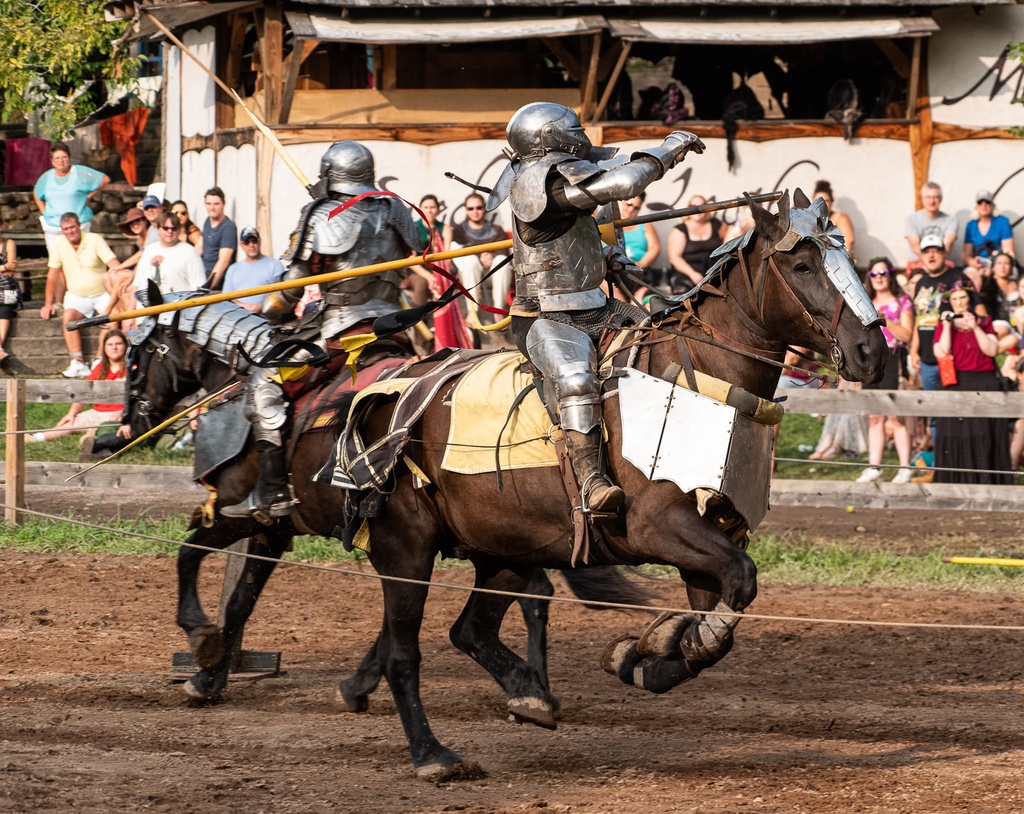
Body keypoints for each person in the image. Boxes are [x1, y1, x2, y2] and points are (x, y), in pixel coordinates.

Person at [487, 100, 704, 512]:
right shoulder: (539, 187)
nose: (582, 136)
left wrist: (607, 256)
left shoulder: (561, 189)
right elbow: (624, 185)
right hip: (547, 316)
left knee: (672, 345)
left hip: (597, 305)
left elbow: (567, 241)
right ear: (554, 138)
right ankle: (591, 483)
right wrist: (671, 146)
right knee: (574, 381)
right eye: (574, 129)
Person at [220, 140, 423, 519]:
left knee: (265, 381)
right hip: (392, 328)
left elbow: (284, 297)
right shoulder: (395, 209)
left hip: (342, 331)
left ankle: (272, 492)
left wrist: (273, 309)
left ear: (329, 174)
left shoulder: (320, 214)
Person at [933, 287, 1013, 484]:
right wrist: (946, 325)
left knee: (984, 432)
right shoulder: (944, 324)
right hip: (956, 382)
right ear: (950, 302)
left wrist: (975, 326)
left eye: (963, 298)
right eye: (956, 299)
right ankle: (957, 481)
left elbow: (992, 350)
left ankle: (987, 481)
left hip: (984, 382)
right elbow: (942, 351)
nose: (960, 302)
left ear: (970, 300)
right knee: (955, 435)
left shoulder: (984, 322)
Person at [855, 258, 914, 484]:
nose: (879, 277)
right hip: (870, 359)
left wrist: (886, 319)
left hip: (893, 357)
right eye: (874, 274)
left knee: (896, 416)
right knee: (874, 417)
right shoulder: (864, 302)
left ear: (890, 275)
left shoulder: (902, 301)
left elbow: (907, 335)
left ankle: (905, 467)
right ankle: (874, 467)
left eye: (883, 273)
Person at [42, 213, 122, 378]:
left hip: (102, 293)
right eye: (66, 229)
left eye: (72, 227)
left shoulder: (95, 239)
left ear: (79, 226)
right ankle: (78, 361)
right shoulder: (59, 244)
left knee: (113, 317)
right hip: (76, 295)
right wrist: (48, 303)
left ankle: (100, 359)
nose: (70, 231)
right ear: (62, 231)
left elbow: (114, 265)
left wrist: (120, 292)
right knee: (68, 316)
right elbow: (52, 275)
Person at [24, 330, 128, 443]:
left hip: (119, 413)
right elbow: (84, 392)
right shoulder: (100, 368)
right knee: (71, 424)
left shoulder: (132, 369)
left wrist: (124, 413)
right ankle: (37, 437)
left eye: (118, 344)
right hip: (97, 411)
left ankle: (92, 438)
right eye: (110, 344)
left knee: (108, 427)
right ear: (104, 348)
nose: (114, 348)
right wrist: (71, 414)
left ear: (125, 346)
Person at [908, 234, 977, 396]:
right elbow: (920, 318)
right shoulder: (921, 283)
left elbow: (978, 312)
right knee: (932, 409)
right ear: (921, 256)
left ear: (945, 253)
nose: (931, 255)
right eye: (926, 251)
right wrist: (914, 350)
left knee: (955, 408)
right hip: (926, 360)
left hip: (954, 357)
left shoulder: (959, 278)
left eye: (936, 251)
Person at [415, 194, 473, 351]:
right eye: (426, 207)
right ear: (420, 209)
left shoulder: (445, 229)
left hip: (440, 268)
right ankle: (422, 336)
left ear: (438, 209)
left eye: (432, 207)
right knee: (420, 286)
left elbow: (446, 257)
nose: (429, 211)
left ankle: (450, 330)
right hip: (419, 270)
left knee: (448, 283)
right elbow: (410, 259)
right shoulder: (413, 228)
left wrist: (433, 230)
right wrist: (428, 276)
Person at [32, 142, 110, 257]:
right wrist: (43, 210)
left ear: (69, 158)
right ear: (52, 161)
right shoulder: (46, 177)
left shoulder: (79, 171)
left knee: (83, 259)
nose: (61, 160)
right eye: (57, 158)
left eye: (64, 157)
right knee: (57, 263)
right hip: (54, 227)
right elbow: (36, 192)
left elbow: (105, 179)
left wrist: (89, 195)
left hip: (79, 225)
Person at [447, 193, 510, 325]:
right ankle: (472, 311)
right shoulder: (459, 232)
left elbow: (504, 253)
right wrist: (479, 255)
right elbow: (457, 255)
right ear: (466, 210)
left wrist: (491, 256)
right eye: (471, 208)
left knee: (501, 262)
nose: (475, 212)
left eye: (478, 208)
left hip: (492, 276)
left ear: (484, 209)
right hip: (470, 276)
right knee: (470, 261)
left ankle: (498, 310)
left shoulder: (496, 230)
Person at [131, 212, 207, 299]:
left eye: (173, 228)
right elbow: (136, 286)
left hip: (177, 310)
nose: (169, 231)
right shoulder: (149, 250)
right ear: (158, 229)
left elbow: (200, 291)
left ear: (179, 230)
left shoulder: (190, 252)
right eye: (165, 228)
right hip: (146, 310)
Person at [666, 194, 724, 294]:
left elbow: (729, 242)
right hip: (687, 274)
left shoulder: (716, 224)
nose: (697, 210)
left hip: (715, 272)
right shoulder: (680, 229)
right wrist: (693, 274)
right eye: (693, 206)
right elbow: (675, 258)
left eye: (701, 206)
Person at [222, 227, 285, 312]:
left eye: (254, 241)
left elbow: (280, 294)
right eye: (247, 242)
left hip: (268, 316)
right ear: (241, 244)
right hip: (238, 316)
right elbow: (227, 296)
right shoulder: (233, 269)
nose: (251, 245)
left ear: (260, 242)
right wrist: (244, 306)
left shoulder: (275, 265)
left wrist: (261, 306)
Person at [904, 181, 958, 268]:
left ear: (940, 199)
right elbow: (915, 247)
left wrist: (935, 264)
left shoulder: (951, 220)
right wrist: (929, 263)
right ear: (922, 199)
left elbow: (946, 247)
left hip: (941, 263)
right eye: (928, 197)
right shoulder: (911, 219)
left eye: (935, 197)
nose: (932, 201)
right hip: (917, 262)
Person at [962, 190, 1014, 272]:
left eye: (987, 202)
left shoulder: (1003, 222)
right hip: (978, 266)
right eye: (980, 202)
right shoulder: (970, 225)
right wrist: (973, 263)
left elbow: (1009, 251)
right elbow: (966, 255)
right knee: (970, 275)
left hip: (998, 265)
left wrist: (998, 259)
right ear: (976, 206)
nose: (984, 205)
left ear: (992, 205)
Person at [200, 186, 237, 290]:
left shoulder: (228, 227)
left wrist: (207, 287)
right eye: (208, 204)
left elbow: (223, 261)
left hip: (216, 278)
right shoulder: (208, 220)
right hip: (202, 271)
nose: (212, 207)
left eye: (216, 204)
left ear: (224, 204)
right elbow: (199, 248)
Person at [619, 193, 661, 280]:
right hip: (611, 270)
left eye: (636, 208)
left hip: (639, 270)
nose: (631, 209)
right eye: (629, 204)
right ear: (623, 201)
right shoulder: (607, 222)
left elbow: (655, 248)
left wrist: (639, 265)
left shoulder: (645, 224)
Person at [813, 180, 855, 258]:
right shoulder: (811, 220)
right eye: (818, 201)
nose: (822, 204)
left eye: (826, 201)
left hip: (841, 260)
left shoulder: (841, 218)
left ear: (832, 201)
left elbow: (849, 241)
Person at [0, 222, 18, 366]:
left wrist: (7, 268)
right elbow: (8, 266)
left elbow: (11, 269)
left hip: (7, 289)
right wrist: (4, 266)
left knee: (5, 309)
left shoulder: (9, 243)